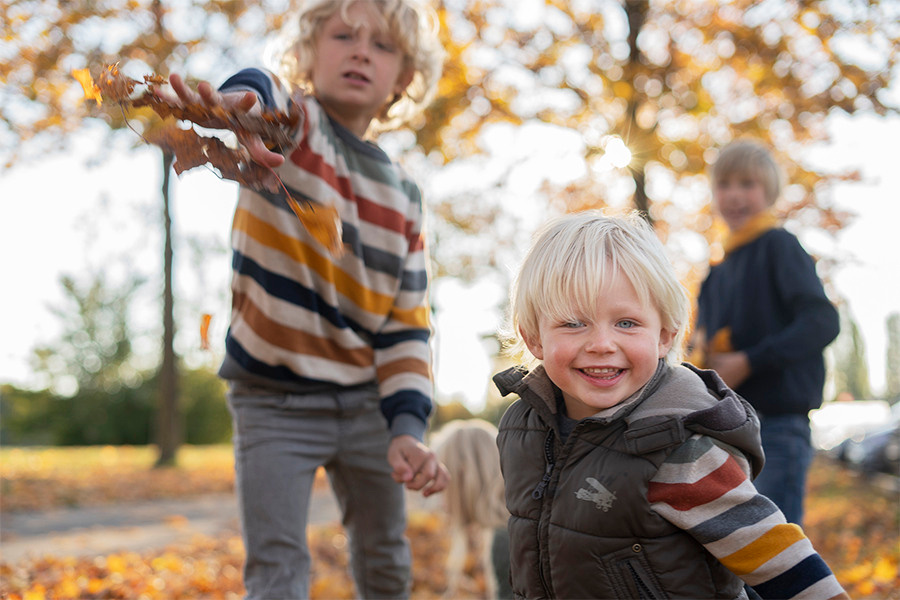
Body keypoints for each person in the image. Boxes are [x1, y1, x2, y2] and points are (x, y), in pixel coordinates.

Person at [159, 1, 449, 598]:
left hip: (367, 406)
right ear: (309, 56)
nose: (361, 51)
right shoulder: (296, 129)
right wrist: (240, 104)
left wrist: (406, 425)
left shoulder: (406, 197)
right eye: (343, 36)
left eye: (383, 46)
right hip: (274, 399)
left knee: (386, 559)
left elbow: (407, 326)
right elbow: (261, 94)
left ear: (403, 80)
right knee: (278, 565)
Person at [493, 210, 848, 599]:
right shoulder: (521, 430)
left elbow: (780, 559)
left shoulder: (678, 450)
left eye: (626, 323)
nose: (601, 344)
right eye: (573, 323)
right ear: (534, 340)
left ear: (664, 337)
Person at [693, 139, 840, 526]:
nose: (735, 195)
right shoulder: (716, 271)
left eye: (747, 184)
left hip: (777, 424)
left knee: (774, 546)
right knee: (734, 549)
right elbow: (701, 340)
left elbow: (822, 321)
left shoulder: (780, 246)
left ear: (769, 192)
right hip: (726, 428)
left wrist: (750, 361)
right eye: (724, 185)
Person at [431, 419, 512, 600]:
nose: (440, 500)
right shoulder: (511, 529)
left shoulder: (506, 544)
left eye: (442, 481)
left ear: (462, 475)